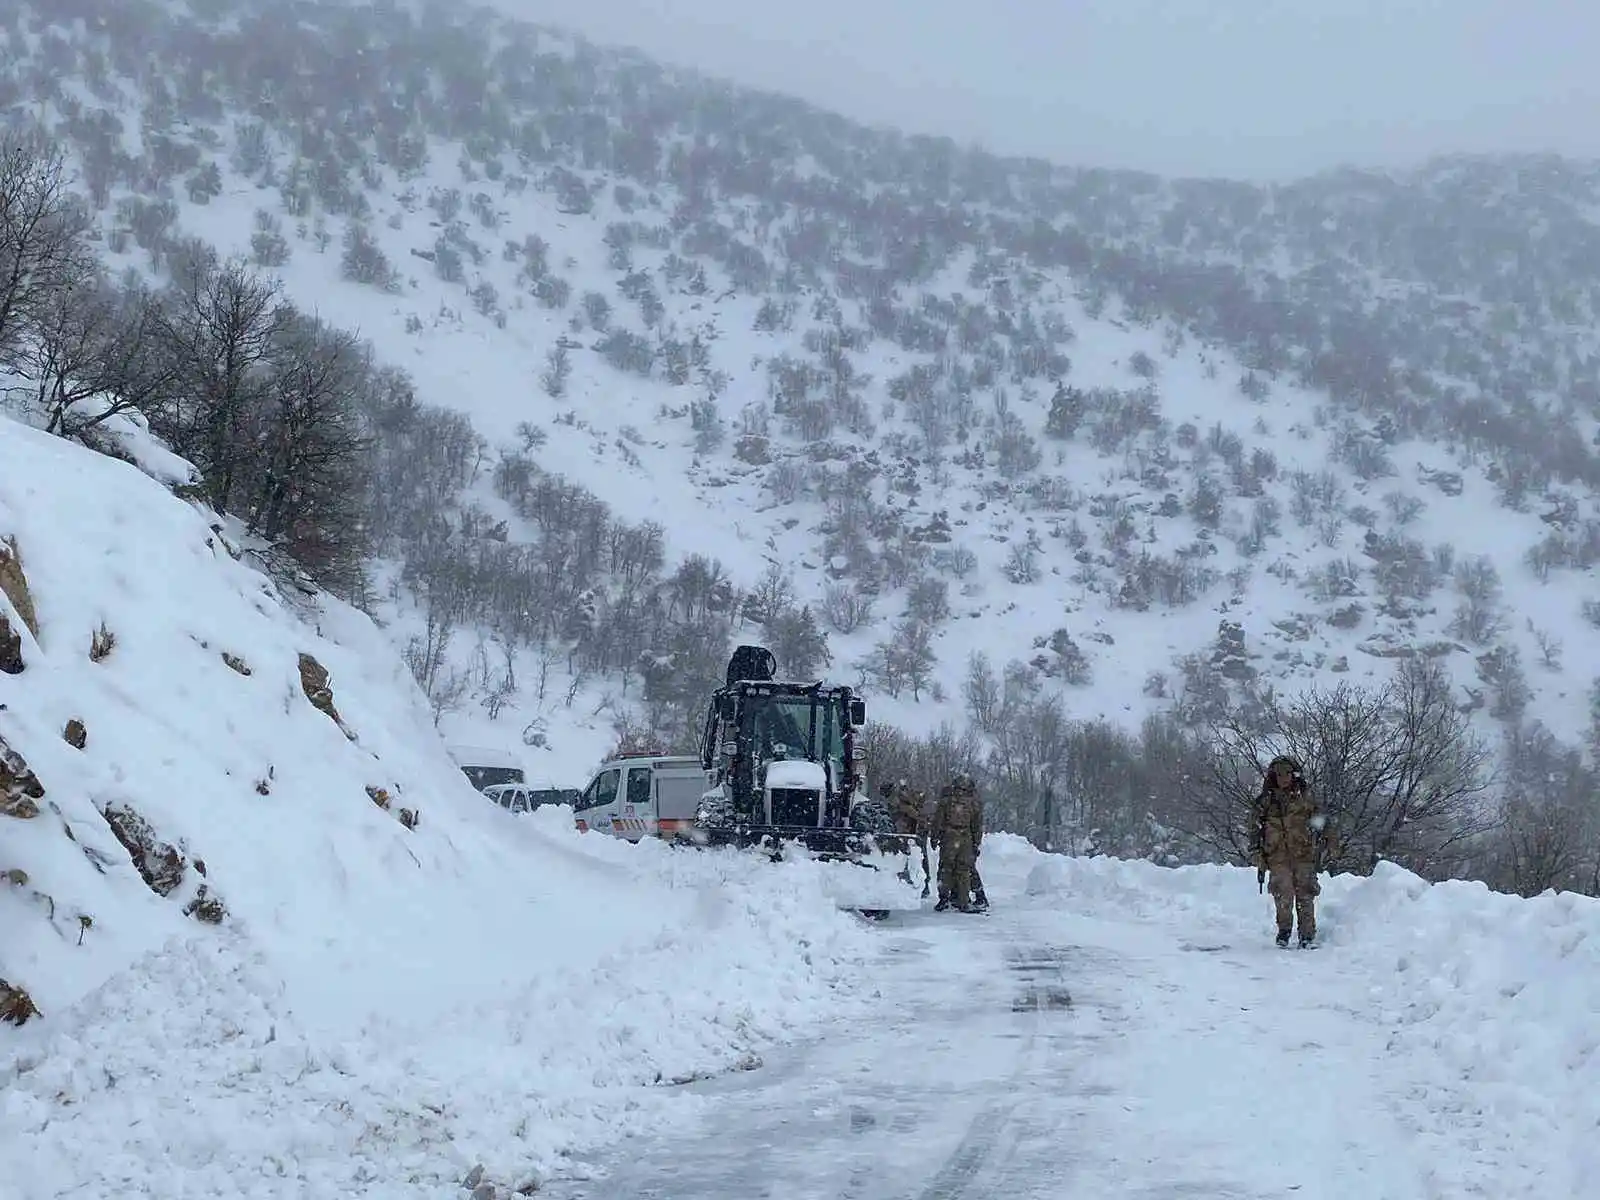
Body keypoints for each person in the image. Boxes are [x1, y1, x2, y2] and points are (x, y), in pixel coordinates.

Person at [1248, 755, 1333, 947]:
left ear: (1293, 775)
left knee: (1306, 895)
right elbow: (1254, 830)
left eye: (1286, 773)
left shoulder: (1305, 799)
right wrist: (1257, 855)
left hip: (1303, 855)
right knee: (1282, 896)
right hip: (1277, 856)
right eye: (1278, 774)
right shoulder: (1265, 802)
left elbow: (1322, 822)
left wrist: (1328, 843)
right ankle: (1284, 932)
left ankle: (1307, 935)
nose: (1283, 778)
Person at [931, 773, 983, 912]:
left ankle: (943, 899)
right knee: (963, 870)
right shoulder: (973, 801)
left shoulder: (947, 799)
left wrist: (934, 837)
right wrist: (976, 842)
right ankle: (963, 902)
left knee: (945, 868)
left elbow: (938, 820)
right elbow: (977, 824)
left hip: (949, 836)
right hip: (965, 836)